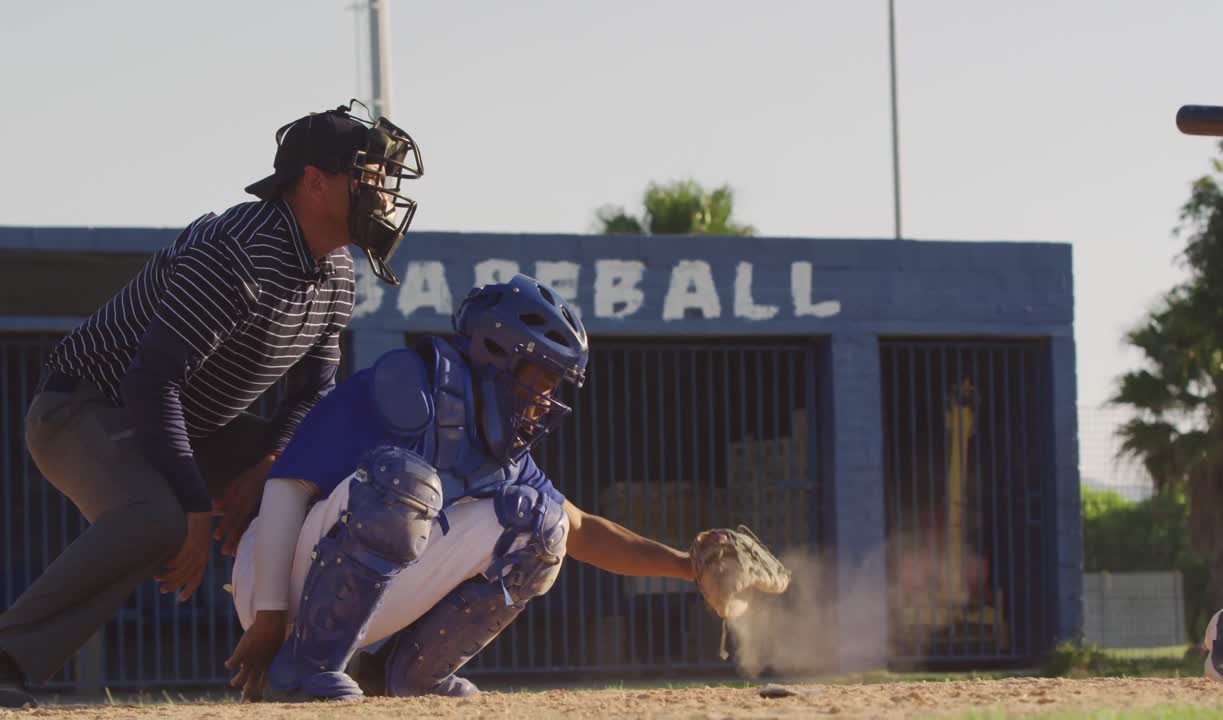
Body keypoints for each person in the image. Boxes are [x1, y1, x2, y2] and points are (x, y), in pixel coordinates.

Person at [0, 101, 423, 710]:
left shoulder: (336, 271)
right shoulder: (238, 251)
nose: (382, 192)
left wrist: (269, 467)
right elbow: (152, 381)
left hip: (195, 421)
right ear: (313, 181)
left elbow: (315, 394)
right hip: (88, 407)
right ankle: (9, 657)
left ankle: (313, 661)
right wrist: (196, 507)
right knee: (159, 518)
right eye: (369, 175)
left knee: (340, 484)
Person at [224, 275, 701, 701]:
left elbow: (580, 529)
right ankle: (301, 670)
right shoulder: (400, 390)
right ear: (499, 355)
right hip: (271, 578)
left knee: (543, 527)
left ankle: (408, 676)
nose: (548, 399)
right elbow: (287, 489)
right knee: (405, 483)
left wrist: (688, 567)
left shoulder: (502, 450)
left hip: (347, 601)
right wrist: (268, 614)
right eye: (544, 376)